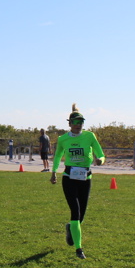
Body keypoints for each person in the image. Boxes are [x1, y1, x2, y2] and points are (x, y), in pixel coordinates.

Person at [51, 104, 105, 260]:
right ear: (69, 123)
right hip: (69, 178)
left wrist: (100, 160)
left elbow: (101, 154)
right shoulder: (63, 139)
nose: (78, 125)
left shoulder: (90, 136)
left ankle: (70, 228)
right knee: (75, 212)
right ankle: (79, 249)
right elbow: (57, 156)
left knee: (81, 216)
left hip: (85, 179)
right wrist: (53, 172)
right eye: (75, 122)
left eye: (81, 122)